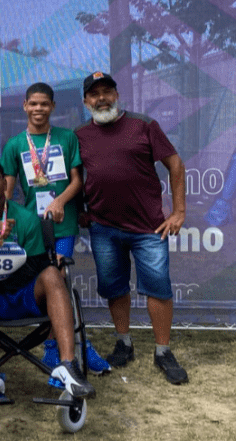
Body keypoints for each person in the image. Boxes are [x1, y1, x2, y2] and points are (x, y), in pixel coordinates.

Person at [75, 72, 188, 385]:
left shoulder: (144, 125)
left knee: (159, 289)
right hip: (104, 229)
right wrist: (80, 212)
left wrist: (179, 211)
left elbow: (176, 165)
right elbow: (73, 179)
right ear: (86, 101)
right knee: (115, 288)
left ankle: (163, 351)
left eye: (107, 91)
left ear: (117, 94)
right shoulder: (79, 135)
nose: (101, 98)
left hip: (149, 228)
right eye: (94, 94)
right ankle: (124, 343)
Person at [0, 159, 94, 400]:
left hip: (26, 296)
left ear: (5, 183)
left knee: (52, 273)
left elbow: (37, 266)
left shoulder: (26, 218)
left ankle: (68, 365)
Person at [0, 82, 111, 375]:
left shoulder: (65, 138)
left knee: (59, 278)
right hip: (31, 228)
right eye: (33, 104)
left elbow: (77, 180)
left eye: (44, 104)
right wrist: (8, 219)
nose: (38, 109)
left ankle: (63, 347)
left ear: (53, 107)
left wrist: (60, 201)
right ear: (25, 106)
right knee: (44, 283)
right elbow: (8, 191)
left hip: (62, 223)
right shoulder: (14, 145)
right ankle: (59, 346)